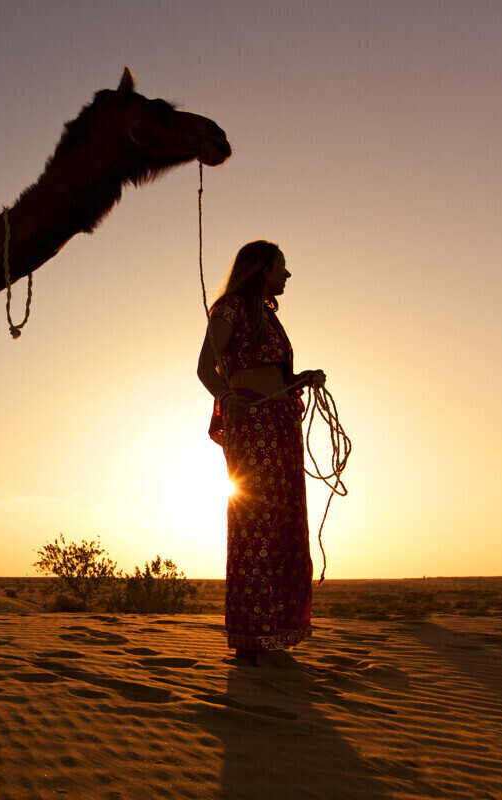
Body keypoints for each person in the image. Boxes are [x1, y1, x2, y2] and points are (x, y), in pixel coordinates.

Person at [196, 240, 325, 669]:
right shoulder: (231, 308)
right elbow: (205, 367)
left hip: (281, 423)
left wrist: (302, 377)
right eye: (281, 268)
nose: (287, 276)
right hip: (250, 426)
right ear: (261, 269)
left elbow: (277, 374)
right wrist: (226, 396)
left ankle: (272, 632)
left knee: (284, 523)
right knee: (255, 525)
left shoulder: (269, 318)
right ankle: (248, 641)